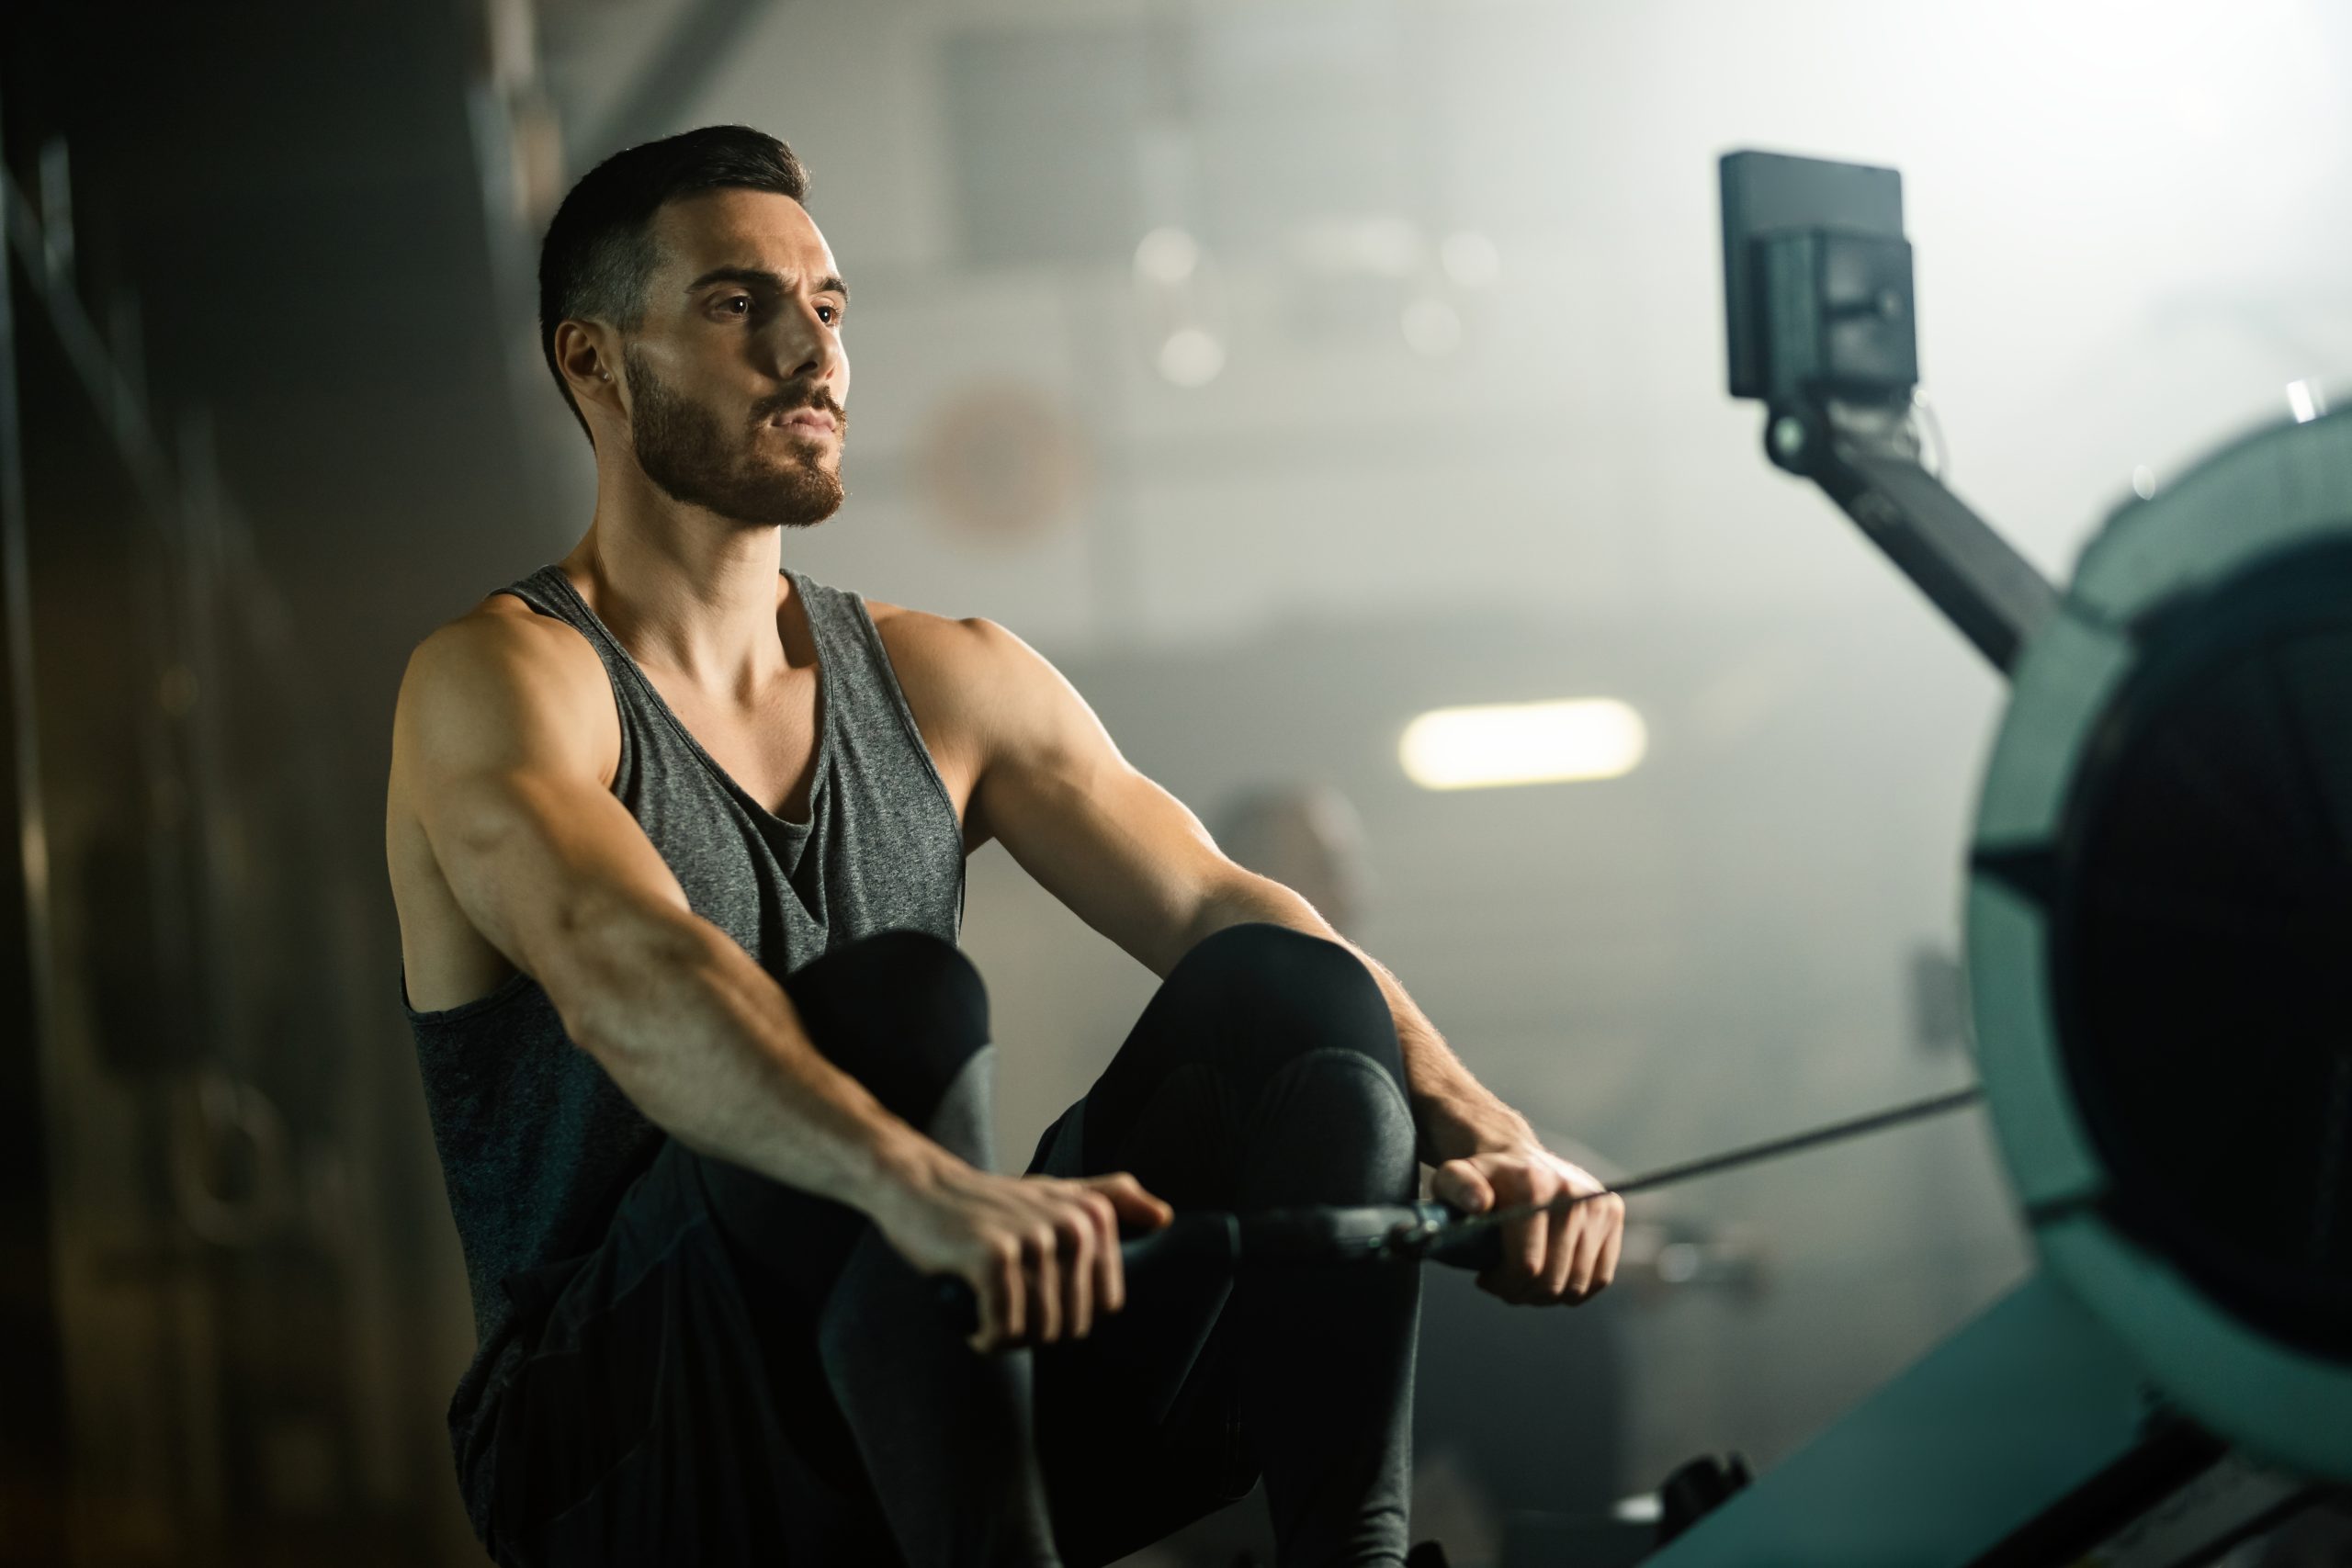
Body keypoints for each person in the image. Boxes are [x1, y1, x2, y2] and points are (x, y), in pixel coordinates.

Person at [384, 125, 1623, 1568]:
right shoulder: (504, 681)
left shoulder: (945, 677)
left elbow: (1225, 902)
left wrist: (1499, 1134)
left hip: (933, 1405)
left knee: (1297, 991)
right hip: (627, 1454)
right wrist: (921, 1191)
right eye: (738, 304)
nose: (811, 353)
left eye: (830, 307)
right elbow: (624, 964)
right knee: (898, 1009)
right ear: (594, 363)